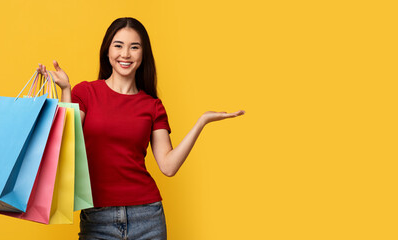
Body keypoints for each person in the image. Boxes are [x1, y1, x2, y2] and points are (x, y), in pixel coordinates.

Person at [36, 17, 245, 240]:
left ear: (143, 54)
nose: (125, 54)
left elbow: (168, 166)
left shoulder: (152, 106)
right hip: (97, 217)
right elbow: (66, 143)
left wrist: (201, 122)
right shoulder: (86, 93)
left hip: (148, 217)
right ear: (107, 51)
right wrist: (66, 90)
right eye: (118, 45)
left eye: (134, 47)